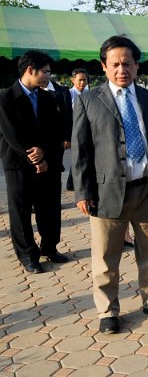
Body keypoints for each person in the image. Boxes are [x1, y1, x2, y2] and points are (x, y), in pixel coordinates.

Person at [72, 35, 148, 335]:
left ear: (136, 66)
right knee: (105, 257)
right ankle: (108, 310)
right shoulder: (89, 100)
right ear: (104, 67)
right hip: (106, 193)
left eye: (127, 63)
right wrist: (82, 191)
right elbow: (80, 149)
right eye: (114, 64)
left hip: (146, 189)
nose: (121, 70)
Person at [0, 50, 66, 274]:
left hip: (47, 162)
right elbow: (11, 134)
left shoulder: (48, 97)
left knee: (49, 207)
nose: (49, 76)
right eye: (46, 72)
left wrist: (43, 152)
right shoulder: (6, 97)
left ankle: (50, 247)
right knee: (20, 211)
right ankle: (28, 255)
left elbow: (56, 132)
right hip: (18, 164)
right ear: (30, 70)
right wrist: (33, 156)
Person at [66, 68, 89, 191]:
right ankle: (72, 183)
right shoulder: (69, 94)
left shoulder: (90, 93)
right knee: (76, 156)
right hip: (73, 130)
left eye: (84, 80)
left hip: (87, 130)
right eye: (80, 80)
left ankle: (73, 183)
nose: (82, 83)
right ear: (73, 80)